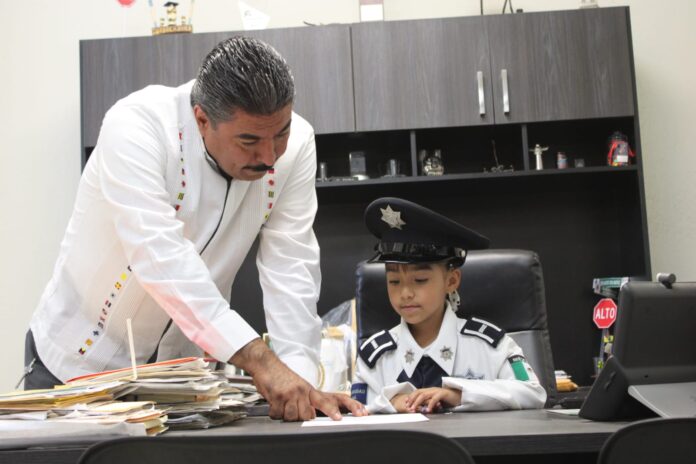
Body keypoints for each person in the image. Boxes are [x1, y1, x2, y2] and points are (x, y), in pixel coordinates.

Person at [24, 36, 366, 421]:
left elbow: (291, 266)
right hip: (78, 364)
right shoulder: (137, 126)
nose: (270, 157)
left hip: (181, 380)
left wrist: (298, 379)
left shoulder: (299, 143)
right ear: (203, 120)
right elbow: (160, 257)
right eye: (249, 141)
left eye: (280, 134)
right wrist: (260, 359)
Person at [351, 197, 547, 413]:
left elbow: (533, 393)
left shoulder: (489, 345)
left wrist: (461, 394)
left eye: (420, 280)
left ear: (451, 281)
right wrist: (390, 403)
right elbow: (357, 411)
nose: (405, 293)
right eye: (394, 281)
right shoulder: (375, 356)